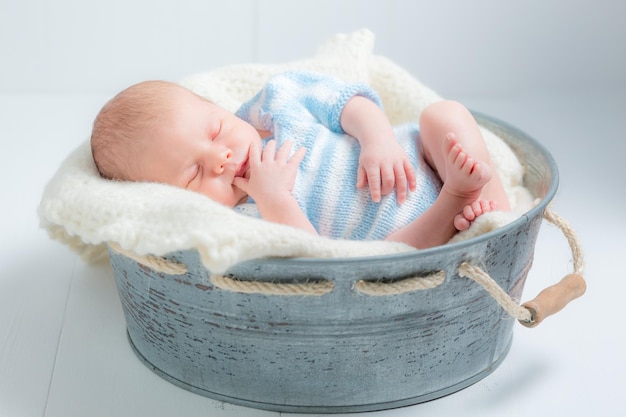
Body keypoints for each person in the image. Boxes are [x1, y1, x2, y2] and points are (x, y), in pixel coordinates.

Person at [91, 71, 510, 249]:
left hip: (417, 154)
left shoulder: (274, 103)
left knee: (443, 115)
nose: (220, 159)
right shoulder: (243, 218)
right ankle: (458, 199)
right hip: (405, 232)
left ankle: (492, 207)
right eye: (194, 174)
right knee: (385, 260)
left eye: (216, 131)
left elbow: (348, 102)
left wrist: (377, 138)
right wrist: (275, 198)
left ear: (219, 107)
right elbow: (312, 253)